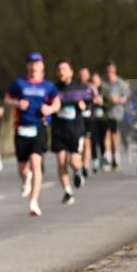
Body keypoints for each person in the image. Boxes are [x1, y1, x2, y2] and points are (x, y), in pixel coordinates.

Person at [5, 53, 60, 217]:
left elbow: (57, 102)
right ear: (27, 66)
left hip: (39, 128)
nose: (34, 66)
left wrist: (49, 109)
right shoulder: (19, 83)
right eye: (31, 63)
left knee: (36, 163)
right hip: (21, 128)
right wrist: (17, 103)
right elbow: (7, 99)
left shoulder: (48, 86)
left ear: (42, 66)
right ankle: (26, 177)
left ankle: (34, 202)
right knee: (23, 168)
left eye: (37, 63)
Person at [51, 59, 91, 205]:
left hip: (75, 130)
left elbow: (89, 103)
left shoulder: (81, 88)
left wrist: (84, 106)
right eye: (59, 69)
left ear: (71, 72)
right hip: (58, 130)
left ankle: (78, 171)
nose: (61, 72)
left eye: (64, 69)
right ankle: (68, 192)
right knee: (61, 161)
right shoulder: (53, 89)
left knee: (73, 161)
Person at [100, 61, 130, 171]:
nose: (109, 73)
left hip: (117, 113)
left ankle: (115, 157)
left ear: (115, 71)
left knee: (115, 136)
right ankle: (107, 157)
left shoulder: (120, 83)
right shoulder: (102, 82)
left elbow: (126, 97)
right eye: (107, 71)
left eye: (111, 71)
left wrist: (118, 99)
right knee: (106, 134)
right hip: (105, 113)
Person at [77, 66, 96, 179]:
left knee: (87, 142)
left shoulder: (92, 87)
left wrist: (95, 100)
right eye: (81, 73)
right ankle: (78, 165)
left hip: (89, 118)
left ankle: (85, 166)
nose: (83, 75)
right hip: (78, 118)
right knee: (79, 143)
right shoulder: (75, 87)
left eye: (85, 73)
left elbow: (98, 99)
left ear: (88, 75)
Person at [89, 71, 108, 173]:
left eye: (96, 80)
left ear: (100, 81)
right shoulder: (89, 90)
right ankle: (95, 161)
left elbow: (110, 103)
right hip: (92, 119)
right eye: (93, 80)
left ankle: (103, 159)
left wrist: (103, 102)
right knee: (93, 140)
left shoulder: (104, 90)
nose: (95, 82)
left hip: (103, 119)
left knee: (102, 140)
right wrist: (93, 101)